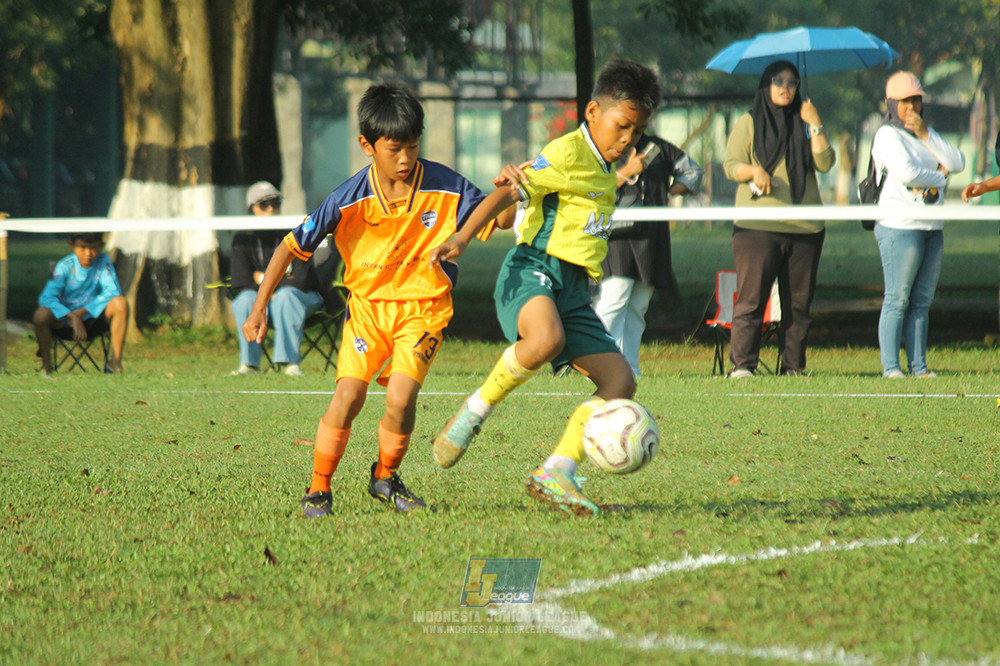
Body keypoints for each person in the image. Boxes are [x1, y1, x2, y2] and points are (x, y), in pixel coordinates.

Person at [243, 82, 510, 517]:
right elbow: (290, 247)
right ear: (367, 145)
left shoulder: (446, 184)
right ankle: (318, 490)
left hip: (424, 309)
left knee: (401, 398)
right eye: (394, 149)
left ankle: (385, 476)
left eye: (412, 146)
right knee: (347, 397)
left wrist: (506, 191)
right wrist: (259, 307)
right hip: (367, 313)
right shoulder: (348, 198)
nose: (405, 158)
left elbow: (500, 217)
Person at [429, 59, 660, 517]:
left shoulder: (602, 166)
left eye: (635, 132)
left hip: (573, 289)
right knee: (545, 340)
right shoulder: (566, 152)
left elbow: (585, 191)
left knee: (620, 381)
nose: (626, 139)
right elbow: (508, 193)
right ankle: (474, 411)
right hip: (533, 268)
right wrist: (460, 236)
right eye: (621, 126)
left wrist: (623, 171)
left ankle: (558, 470)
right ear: (593, 111)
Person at [723, 60, 835, 378]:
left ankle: (793, 367)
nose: (785, 88)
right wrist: (753, 170)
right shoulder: (748, 122)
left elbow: (825, 163)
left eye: (792, 82)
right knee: (751, 300)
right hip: (756, 227)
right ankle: (743, 366)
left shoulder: (806, 122)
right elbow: (731, 165)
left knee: (798, 306)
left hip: (806, 228)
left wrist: (815, 124)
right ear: (766, 84)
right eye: (778, 81)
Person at [871, 71, 965, 378]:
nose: (911, 107)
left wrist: (926, 134)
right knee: (897, 298)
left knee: (922, 300)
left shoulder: (925, 134)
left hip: (931, 226)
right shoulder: (887, 134)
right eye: (904, 101)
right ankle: (890, 367)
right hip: (899, 224)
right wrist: (941, 178)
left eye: (916, 100)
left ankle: (919, 367)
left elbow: (957, 162)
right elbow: (908, 173)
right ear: (891, 103)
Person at [592, 134, 703, 377]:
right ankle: (598, 366)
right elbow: (591, 190)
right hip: (616, 236)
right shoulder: (602, 144)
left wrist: (668, 193)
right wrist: (626, 172)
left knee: (639, 307)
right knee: (613, 300)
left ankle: (630, 368)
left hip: (653, 236)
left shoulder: (659, 146)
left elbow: (693, 171)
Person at [230, 181, 324, 376]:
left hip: (301, 298)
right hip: (264, 303)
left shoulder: (294, 234)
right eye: (263, 205)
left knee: (286, 296)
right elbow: (240, 281)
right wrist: (272, 287)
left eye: (275, 204)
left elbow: (300, 279)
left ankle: (290, 364)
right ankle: (249, 365)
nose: (271, 209)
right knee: (245, 300)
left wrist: (262, 281)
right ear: (251, 209)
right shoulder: (242, 238)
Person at [33, 232, 128, 375]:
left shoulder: (103, 261)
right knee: (41, 315)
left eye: (93, 248)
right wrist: (72, 316)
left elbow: (112, 291)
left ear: (101, 247)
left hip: (94, 320)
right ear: (72, 245)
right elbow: (47, 298)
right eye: (82, 247)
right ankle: (46, 366)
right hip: (65, 322)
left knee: (120, 303)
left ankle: (115, 363)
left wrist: (82, 312)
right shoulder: (65, 266)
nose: (88, 253)